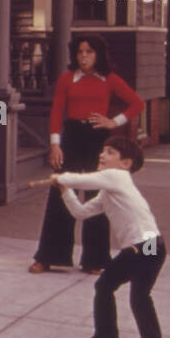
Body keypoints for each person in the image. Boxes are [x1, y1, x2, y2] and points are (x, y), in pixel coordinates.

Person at [30, 34, 145, 275]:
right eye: (80, 52)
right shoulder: (66, 79)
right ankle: (48, 257)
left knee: (98, 197)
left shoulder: (109, 79)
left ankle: (96, 260)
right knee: (61, 190)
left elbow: (137, 103)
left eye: (89, 52)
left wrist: (112, 122)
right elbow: (57, 111)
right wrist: (55, 144)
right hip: (71, 136)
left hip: (97, 138)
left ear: (98, 55)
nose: (83, 56)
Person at [50, 136, 166, 338]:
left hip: (150, 245)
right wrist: (65, 190)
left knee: (140, 297)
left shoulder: (118, 177)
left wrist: (61, 177)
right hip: (134, 248)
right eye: (103, 151)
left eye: (110, 152)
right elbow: (80, 212)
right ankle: (106, 334)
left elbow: (82, 181)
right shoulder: (108, 191)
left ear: (126, 163)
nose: (102, 155)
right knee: (104, 285)